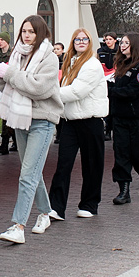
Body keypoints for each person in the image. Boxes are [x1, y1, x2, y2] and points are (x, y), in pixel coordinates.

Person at [0, 16, 62, 244]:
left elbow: (38, 88)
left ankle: (18, 226)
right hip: (19, 119)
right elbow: (11, 85)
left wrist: (9, 74)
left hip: (42, 120)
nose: (27, 35)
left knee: (27, 174)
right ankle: (45, 212)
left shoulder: (49, 58)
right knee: (32, 171)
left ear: (40, 33)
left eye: (31, 31)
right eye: (24, 31)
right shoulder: (17, 54)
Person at [49, 28, 107, 220]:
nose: (81, 42)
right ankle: (57, 207)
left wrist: (49, 94)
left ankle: (89, 204)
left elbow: (76, 92)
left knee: (91, 165)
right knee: (63, 164)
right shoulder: (69, 63)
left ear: (90, 43)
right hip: (70, 122)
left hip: (90, 121)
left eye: (85, 39)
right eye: (77, 39)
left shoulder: (92, 65)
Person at [108, 32, 139, 203]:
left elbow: (132, 91)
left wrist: (110, 92)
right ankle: (124, 190)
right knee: (121, 153)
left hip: (138, 117)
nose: (122, 45)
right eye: (122, 42)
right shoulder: (119, 65)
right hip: (120, 117)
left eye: (126, 43)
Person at [0, 32, 17, 155]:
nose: (0, 41)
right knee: (5, 116)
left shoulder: (13, 53)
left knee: (13, 115)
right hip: (0, 87)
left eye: (2, 39)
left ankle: (14, 142)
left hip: (12, 87)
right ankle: (5, 144)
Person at [97, 32, 119, 141]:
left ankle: (113, 128)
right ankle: (107, 130)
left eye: (110, 39)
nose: (108, 41)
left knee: (114, 105)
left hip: (115, 80)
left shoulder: (119, 51)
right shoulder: (101, 51)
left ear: (115, 40)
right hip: (104, 81)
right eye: (106, 40)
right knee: (106, 105)